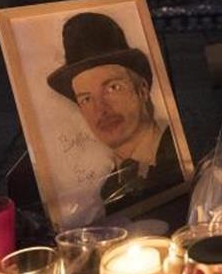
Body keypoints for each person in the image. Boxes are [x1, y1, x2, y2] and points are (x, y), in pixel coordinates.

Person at [46, 12, 182, 212]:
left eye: (112, 88)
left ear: (142, 90)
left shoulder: (178, 154)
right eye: (86, 99)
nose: (100, 109)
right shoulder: (109, 188)